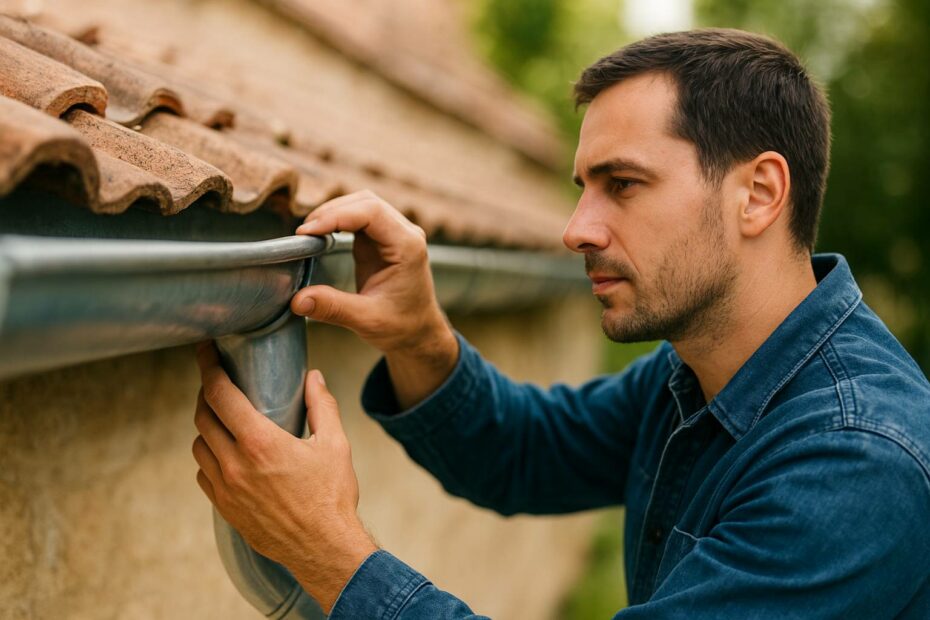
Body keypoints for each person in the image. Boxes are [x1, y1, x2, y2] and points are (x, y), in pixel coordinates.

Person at [191, 29, 930, 618]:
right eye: (584, 189)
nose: (577, 229)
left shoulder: (856, 464)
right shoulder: (701, 371)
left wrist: (329, 551)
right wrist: (420, 337)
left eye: (624, 185)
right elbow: (525, 453)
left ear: (759, 194)